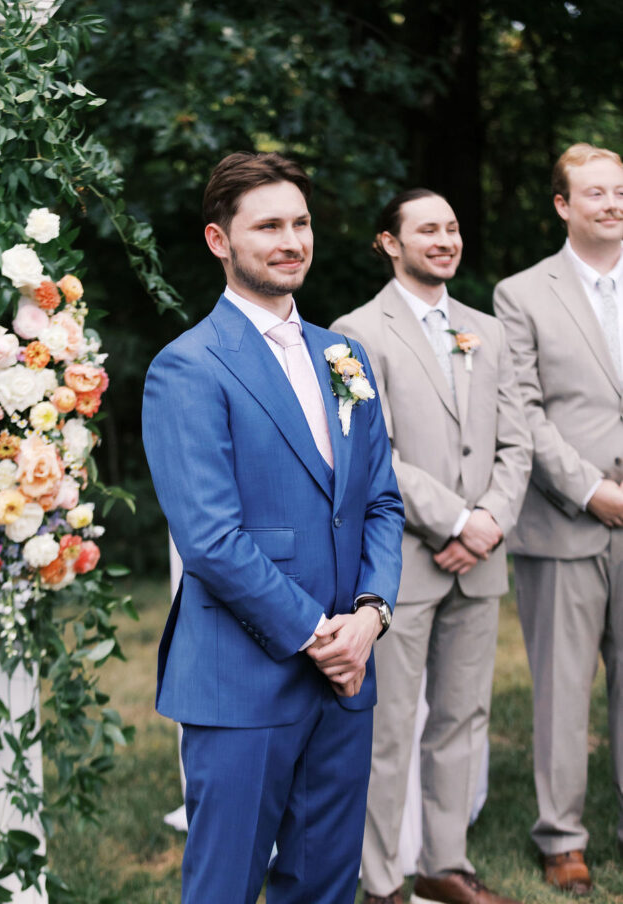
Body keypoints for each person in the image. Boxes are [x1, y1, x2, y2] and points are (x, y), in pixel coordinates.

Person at [142, 151, 405, 904]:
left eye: (300, 222)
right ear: (219, 240)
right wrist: (320, 635)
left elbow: (379, 502)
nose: (291, 240)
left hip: (348, 674)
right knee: (225, 886)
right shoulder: (187, 367)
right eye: (268, 226)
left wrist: (368, 617)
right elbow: (210, 540)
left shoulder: (342, 354)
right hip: (243, 676)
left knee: (325, 884)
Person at [331, 189, 532, 904]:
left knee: (462, 717)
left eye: (451, 227)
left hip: (479, 562)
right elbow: (369, 453)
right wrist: (454, 521)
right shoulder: (354, 332)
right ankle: (381, 880)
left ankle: (444, 864)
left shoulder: (485, 329)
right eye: (427, 229)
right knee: (388, 727)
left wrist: (489, 523)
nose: (444, 239)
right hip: (402, 564)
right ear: (389, 242)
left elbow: (516, 439)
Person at [494, 143, 623, 896]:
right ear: (561, 206)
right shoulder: (521, 293)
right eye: (596, 192)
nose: (612, 203)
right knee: (562, 688)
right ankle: (561, 837)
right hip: (563, 520)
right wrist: (590, 492)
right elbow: (522, 409)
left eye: (620, 190)